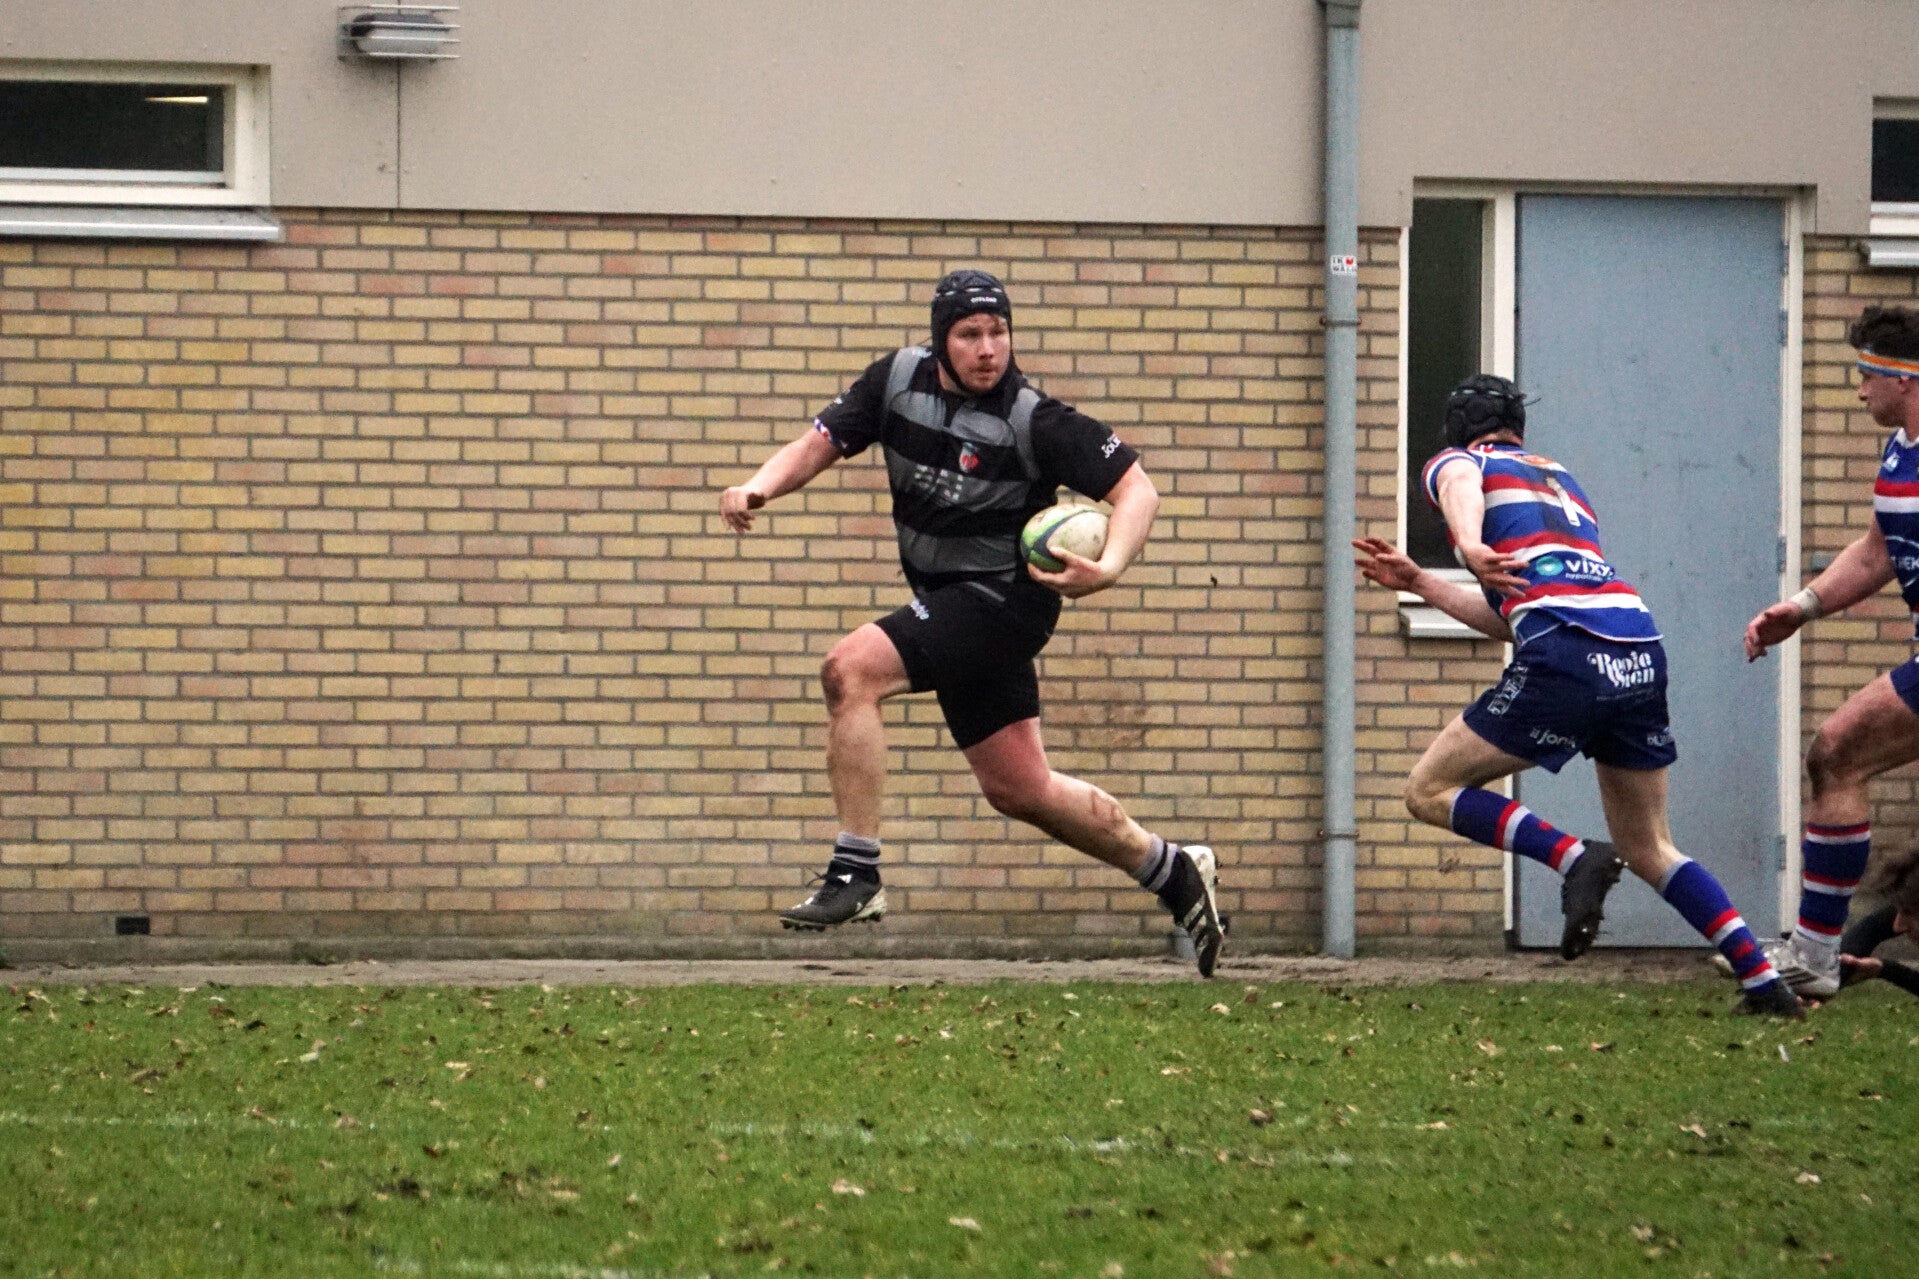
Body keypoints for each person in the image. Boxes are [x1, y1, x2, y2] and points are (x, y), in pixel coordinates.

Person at [718, 269, 1223, 976]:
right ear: (940, 342)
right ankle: (1172, 869)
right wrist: (757, 487)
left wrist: (1109, 566)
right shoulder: (895, 381)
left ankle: (855, 871)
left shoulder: (1034, 418)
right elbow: (818, 444)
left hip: (1005, 603)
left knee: (850, 669)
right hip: (951, 603)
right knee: (1020, 788)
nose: (988, 349)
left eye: (998, 332)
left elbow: (1137, 489)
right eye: (969, 334)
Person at [1353, 374, 1802, 1017]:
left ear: (1458, 431)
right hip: (1639, 648)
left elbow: (1458, 484)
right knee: (1649, 846)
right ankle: (1764, 982)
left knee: (1428, 790)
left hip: (1569, 654)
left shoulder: (1460, 462)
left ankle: (1571, 857)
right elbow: (1512, 619)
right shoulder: (1562, 482)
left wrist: (1469, 546)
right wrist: (1423, 582)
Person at [1739, 304, 1919, 1000]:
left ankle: (1814, 954)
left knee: (1838, 750)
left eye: (1865, 375)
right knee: (1837, 754)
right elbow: (1875, 553)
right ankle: (1815, 953)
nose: (1858, 391)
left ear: (1902, 378)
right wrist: (1803, 607)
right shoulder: (1898, 452)